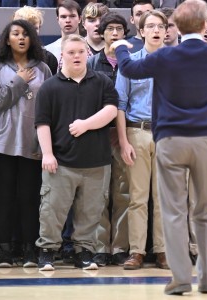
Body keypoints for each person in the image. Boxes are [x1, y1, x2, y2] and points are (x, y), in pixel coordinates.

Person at [111, 0, 207, 294]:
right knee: (206, 210)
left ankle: (181, 279)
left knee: (173, 211)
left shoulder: (165, 56)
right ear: (206, 26)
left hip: (169, 141)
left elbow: (128, 68)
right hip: (206, 142)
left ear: (175, 28)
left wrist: (119, 47)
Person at [35, 34, 118, 271]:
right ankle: (47, 251)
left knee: (91, 213)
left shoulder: (102, 82)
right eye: (71, 52)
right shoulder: (49, 87)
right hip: (61, 162)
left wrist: (86, 124)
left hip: (97, 162)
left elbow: (112, 110)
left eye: (81, 52)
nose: (76, 56)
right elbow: (42, 123)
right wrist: (48, 154)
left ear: (87, 54)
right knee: (52, 210)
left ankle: (84, 253)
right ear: (63, 55)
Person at [0, 19, 52, 268]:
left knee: (30, 198)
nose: (21, 38)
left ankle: (30, 249)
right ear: (7, 39)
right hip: (2, 143)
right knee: (3, 197)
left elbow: (49, 106)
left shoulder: (44, 68)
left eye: (26, 34)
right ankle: (4, 250)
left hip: (33, 143)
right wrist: (18, 80)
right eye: (16, 34)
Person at [115, 10, 168, 271]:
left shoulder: (175, 63)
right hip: (138, 131)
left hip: (167, 135)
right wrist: (123, 141)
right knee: (137, 197)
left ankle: (162, 250)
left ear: (166, 31)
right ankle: (136, 250)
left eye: (161, 26)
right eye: (151, 26)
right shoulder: (130, 63)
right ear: (142, 31)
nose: (156, 30)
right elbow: (120, 105)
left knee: (164, 198)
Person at [87, 11, 130, 267]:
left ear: (125, 33)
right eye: (110, 28)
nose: (115, 33)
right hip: (98, 135)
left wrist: (121, 131)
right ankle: (100, 246)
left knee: (124, 194)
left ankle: (120, 247)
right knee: (99, 194)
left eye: (119, 29)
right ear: (101, 33)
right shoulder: (91, 63)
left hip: (125, 135)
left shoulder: (131, 62)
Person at [13, 5, 59, 75]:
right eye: (26, 28)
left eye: (35, 28)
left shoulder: (49, 59)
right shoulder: (2, 58)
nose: (31, 32)